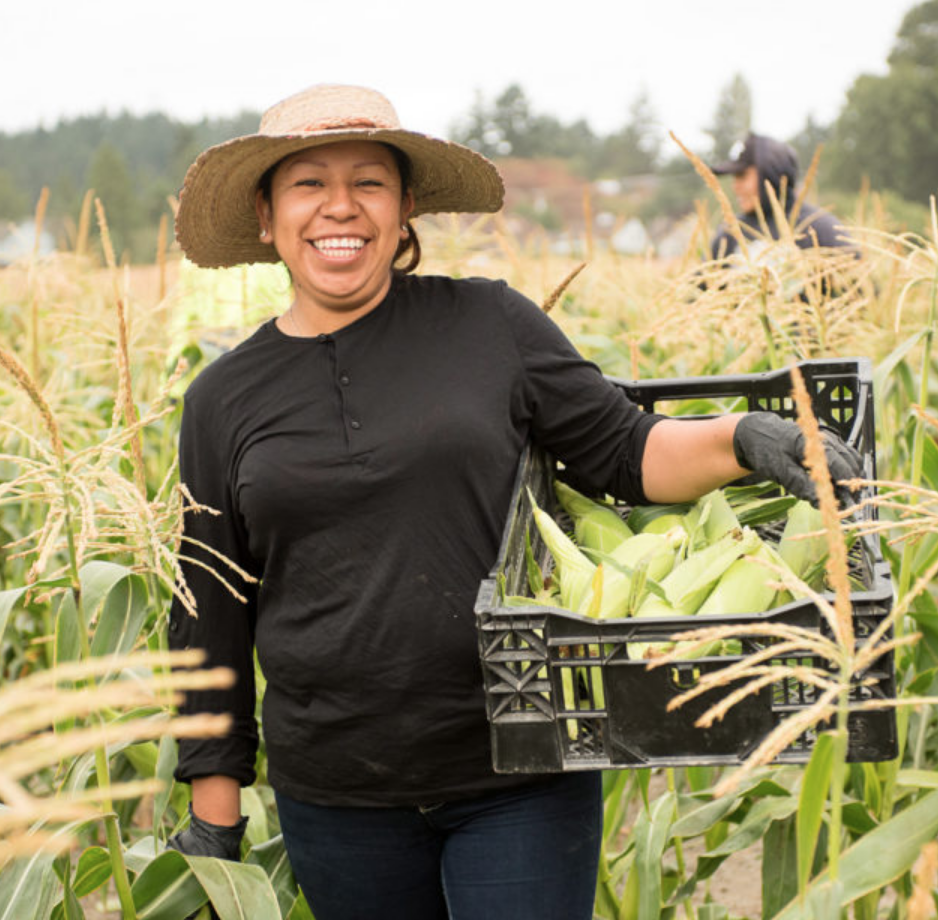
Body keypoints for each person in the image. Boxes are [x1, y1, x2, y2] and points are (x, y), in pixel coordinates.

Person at [165, 84, 861, 920]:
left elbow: (625, 450)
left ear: (406, 205)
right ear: (266, 213)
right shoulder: (222, 399)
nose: (339, 207)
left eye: (369, 182)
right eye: (308, 183)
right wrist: (215, 819)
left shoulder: (487, 324)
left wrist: (743, 438)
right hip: (336, 795)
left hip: (520, 766)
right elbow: (210, 615)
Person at [708, 132, 855, 261]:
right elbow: (701, 282)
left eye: (742, 176)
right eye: (734, 177)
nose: (735, 186)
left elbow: (858, 278)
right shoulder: (731, 233)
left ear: (770, 174)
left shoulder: (819, 229)